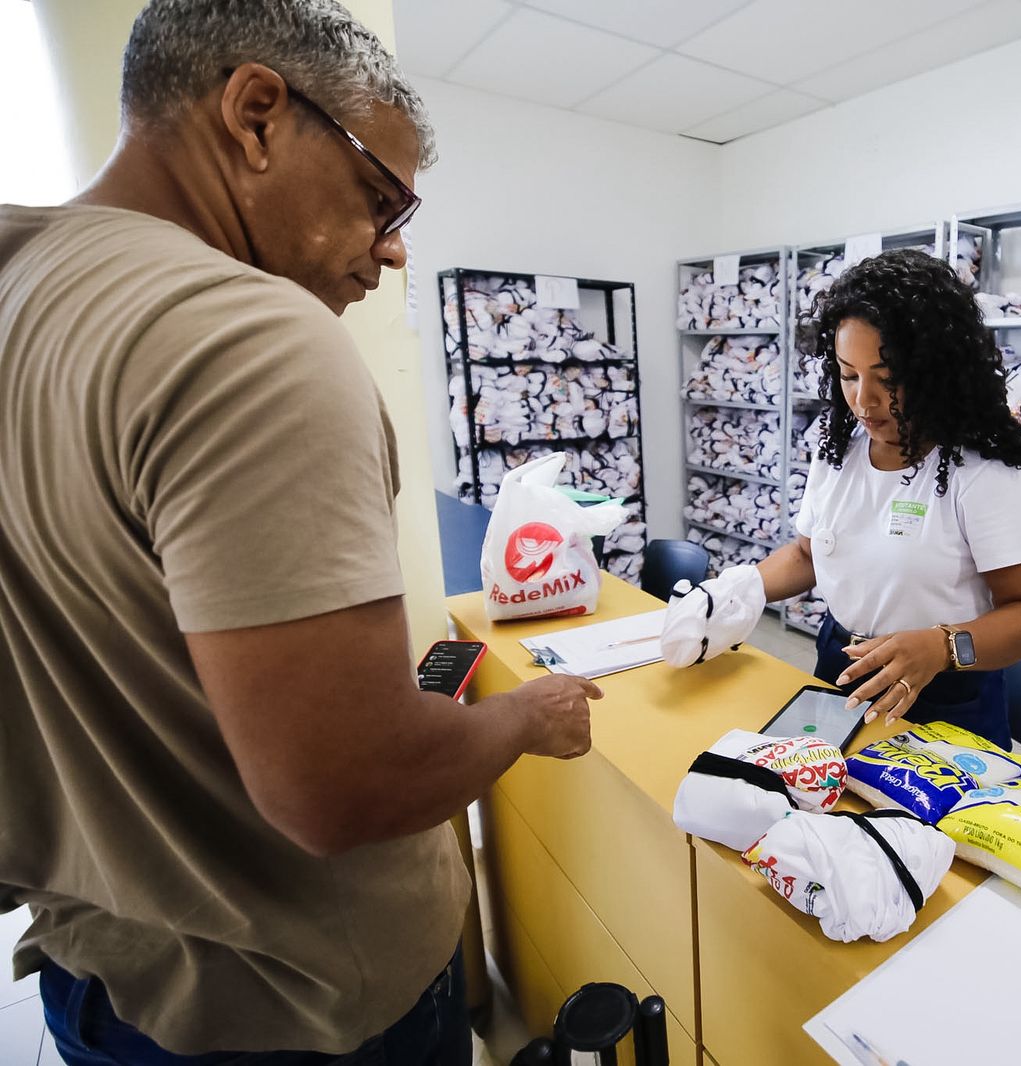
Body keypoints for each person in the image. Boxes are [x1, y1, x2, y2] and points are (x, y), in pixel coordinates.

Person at [0, 2, 596, 1062]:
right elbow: (346, 784)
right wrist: (522, 719)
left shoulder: (22, 295)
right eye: (380, 197)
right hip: (298, 1006)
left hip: (103, 977)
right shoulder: (251, 338)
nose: (395, 251)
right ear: (258, 115)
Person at [756, 249, 1021, 749]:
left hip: (946, 690)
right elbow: (806, 554)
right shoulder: (839, 451)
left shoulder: (988, 472)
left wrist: (943, 647)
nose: (864, 401)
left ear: (937, 368)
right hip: (843, 665)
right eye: (849, 375)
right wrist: (734, 591)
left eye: (889, 378)